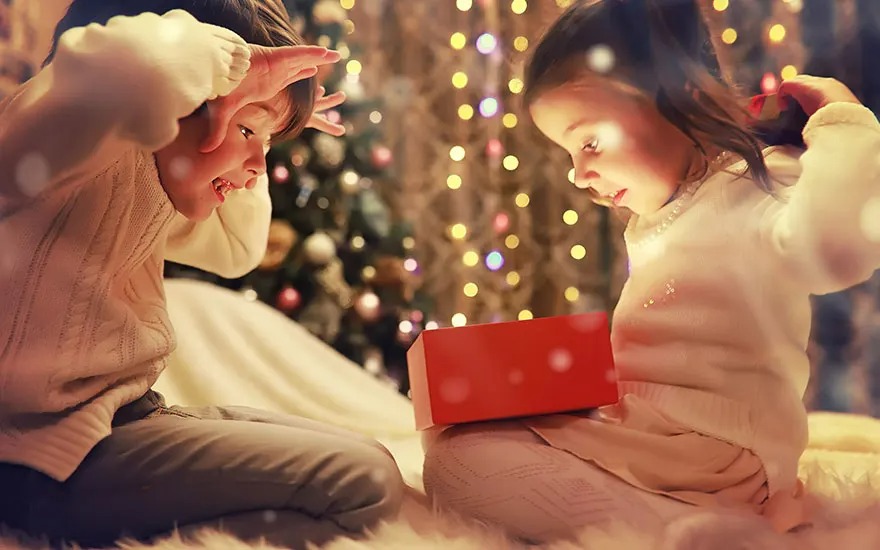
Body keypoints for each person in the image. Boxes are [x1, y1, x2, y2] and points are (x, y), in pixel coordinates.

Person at [422, 0, 880, 545]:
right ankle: (669, 522)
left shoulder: (754, 184)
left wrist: (844, 122)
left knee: (460, 465)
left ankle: (693, 530)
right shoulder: (659, 216)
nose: (579, 174)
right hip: (654, 436)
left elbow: (833, 252)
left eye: (589, 142)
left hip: (720, 454)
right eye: (570, 153)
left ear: (678, 96)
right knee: (454, 439)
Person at [0, 1, 405, 548]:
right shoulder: (53, 139)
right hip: (40, 463)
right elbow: (131, 66)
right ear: (180, 90)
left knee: (374, 458)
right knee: (362, 485)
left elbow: (239, 249)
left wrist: (257, 126)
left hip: (117, 425)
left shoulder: (153, 179)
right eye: (246, 128)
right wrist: (234, 66)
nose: (259, 166)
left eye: (267, 144)